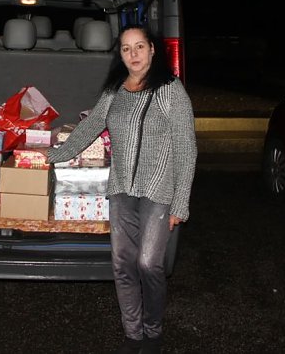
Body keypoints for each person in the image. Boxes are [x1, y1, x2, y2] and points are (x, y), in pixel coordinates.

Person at [47, 24, 197, 354]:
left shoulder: (170, 90)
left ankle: (153, 331)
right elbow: (90, 125)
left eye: (139, 47)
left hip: (158, 190)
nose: (133, 55)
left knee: (148, 264)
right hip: (121, 190)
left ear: (153, 50)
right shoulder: (115, 89)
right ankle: (133, 335)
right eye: (126, 48)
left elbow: (186, 146)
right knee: (122, 264)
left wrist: (180, 204)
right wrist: (52, 155)